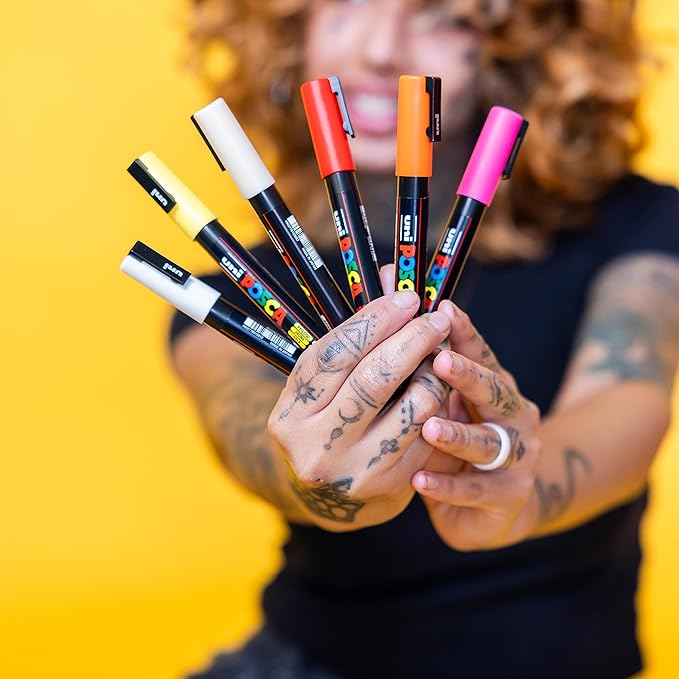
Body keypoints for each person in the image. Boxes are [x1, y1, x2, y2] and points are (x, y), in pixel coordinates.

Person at [171, 1, 679, 677]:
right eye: (348, 2)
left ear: (519, 49)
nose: (382, 51)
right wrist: (332, 489)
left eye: (443, 15)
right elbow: (247, 435)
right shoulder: (243, 284)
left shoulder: (637, 224)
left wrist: (521, 481)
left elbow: (630, 396)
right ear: (291, 30)